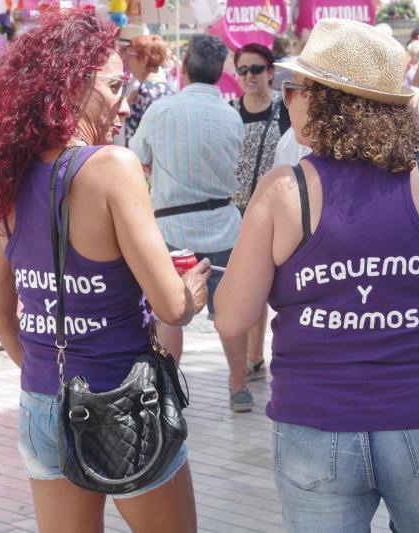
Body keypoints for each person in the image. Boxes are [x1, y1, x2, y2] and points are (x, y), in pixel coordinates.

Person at [214, 19, 419, 532]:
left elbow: (232, 318)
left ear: (331, 101)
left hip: (316, 424)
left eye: (297, 87)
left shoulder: (284, 190)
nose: (287, 99)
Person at [0, 11, 208, 533]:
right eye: (115, 87)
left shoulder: (6, 172)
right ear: (71, 85)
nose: (125, 105)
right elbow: (170, 307)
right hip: (124, 404)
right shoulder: (112, 168)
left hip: (41, 404)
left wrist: (47, 376)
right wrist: (190, 291)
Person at [128, 34, 253, 413]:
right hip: (223, 225)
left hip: (170, 231)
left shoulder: (161, 111)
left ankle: (167, 390)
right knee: (228, 313)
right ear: (220, 73)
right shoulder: (231, 116)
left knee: (170, 314)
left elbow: (137, 158)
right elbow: (242, 174)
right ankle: (238, 387)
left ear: (183, 68)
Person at [229, 43, 292, 384]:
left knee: (266, 284)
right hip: (235, 209)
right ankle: (251, 357)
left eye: (256, 69)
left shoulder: (285, 109)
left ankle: (256, 355)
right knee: (247, 283)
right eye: (243, 70)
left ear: (270, 72)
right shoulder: (230, 111)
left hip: (274, 210)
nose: (249, 76)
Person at [123, 35, 174, 142]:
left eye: (131, 53)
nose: (127, 59)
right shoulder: (166, 89)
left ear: (144, 59)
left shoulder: (144, 92)